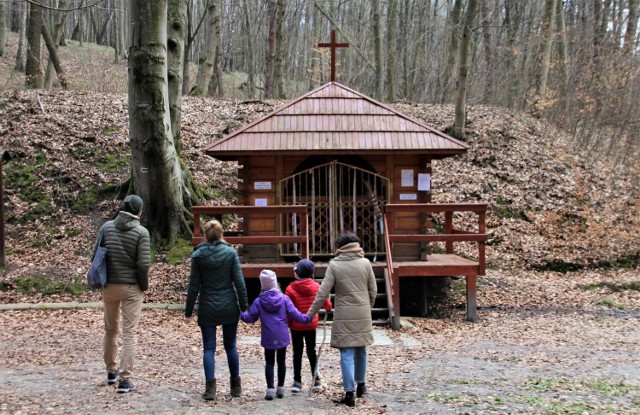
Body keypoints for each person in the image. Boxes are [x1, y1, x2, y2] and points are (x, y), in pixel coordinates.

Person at [306, 232, 377, 407]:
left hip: (344, 313)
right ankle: (361, 385)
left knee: (346, 353)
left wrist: (310, 314)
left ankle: (349, 393)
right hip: (362, 312)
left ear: (340, 247)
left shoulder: (335, 265)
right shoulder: (365, 263)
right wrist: (367, 307)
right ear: (356, 245)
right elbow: (373, 290)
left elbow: (323, 292)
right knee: (361, 349)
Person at [185, 219, 249, 401]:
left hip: (207, 306)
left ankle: (210, 388)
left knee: (209, 348)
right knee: (231, 346)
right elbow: (239, 282)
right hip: (229, 305)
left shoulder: (198, 256)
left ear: (205, 235)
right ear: (222, 234)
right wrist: (244, 306)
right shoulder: (230, 254)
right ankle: (236, 386)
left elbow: (193, 286)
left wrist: (188, 311)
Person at [94, 194, 150, 394]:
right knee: (129, 333)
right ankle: (125, 379)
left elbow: (96, 255)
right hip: (131, 287)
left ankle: (110, 371)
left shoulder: (106, 228)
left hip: (109, 286)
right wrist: (144, 285)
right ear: (138, 211)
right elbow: (143, 264)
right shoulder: (141, 232)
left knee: (110, 330)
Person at [241, 269, 311, 400]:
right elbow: (295, 314)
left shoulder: (258, 301)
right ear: (275, 283)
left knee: (269, 362)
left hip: (268, 336)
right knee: (281, 361)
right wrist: (307, 318)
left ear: (263, 285)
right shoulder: (284, 299)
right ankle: (281, 388)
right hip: (282, 335)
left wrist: (242, 313)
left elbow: (250, 318)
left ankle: (270, 389)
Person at [284, 259, 332, 393]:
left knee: (297, 353)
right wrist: (328, 308)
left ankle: (297, 381)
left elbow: (288, 309)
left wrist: (289, 324)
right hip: (311, 325)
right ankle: (316, 379)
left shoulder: (290, 289)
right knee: (312, 351)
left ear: (297, 273)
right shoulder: (317, 286)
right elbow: (327, 304)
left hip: (296, 326)